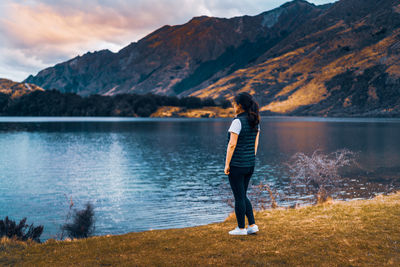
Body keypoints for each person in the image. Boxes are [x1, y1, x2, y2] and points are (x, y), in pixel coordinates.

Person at [224, 92, 260, 235]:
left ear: (239, 105)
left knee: (239, 197)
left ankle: (241, 228)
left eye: (234, 103)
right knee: (243, 195)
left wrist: (227, 164)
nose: (233, 106)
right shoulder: (255, 120)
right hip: (249, 164)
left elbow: (232, 145)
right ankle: (252, 225)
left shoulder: (237, 122)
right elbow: (255, 143)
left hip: (237, 166)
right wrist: (250, 158)